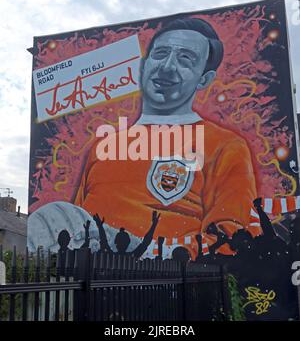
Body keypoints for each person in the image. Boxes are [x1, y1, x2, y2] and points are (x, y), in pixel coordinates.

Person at [74, 17, 259, 259]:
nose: (167, 67)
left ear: (204, 79)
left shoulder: (227, 147)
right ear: (144, 65)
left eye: (185, 59)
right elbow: (76, 223)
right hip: (92, 288)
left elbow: (230, 238)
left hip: (167, 289)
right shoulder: (103, 146)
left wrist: (143, 254)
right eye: (160, 54)